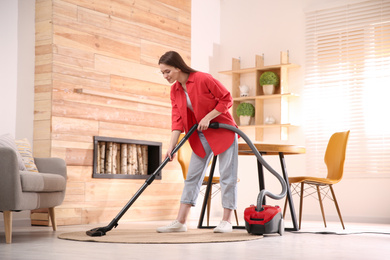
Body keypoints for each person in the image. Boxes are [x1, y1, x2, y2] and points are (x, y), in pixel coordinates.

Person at [156, 51, 239, 233]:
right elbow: (177, 118)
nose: (165, 76)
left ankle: (227, 221)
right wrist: (172, 146)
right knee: (192, 177)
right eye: (162, 73)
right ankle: (180, 221)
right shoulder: (175, 90)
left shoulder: (202, 78)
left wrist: (208, 117)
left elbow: (227, 99)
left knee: (227, 176)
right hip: (201, 134)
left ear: (178, 67)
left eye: (167, 71)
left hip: (223, 130)